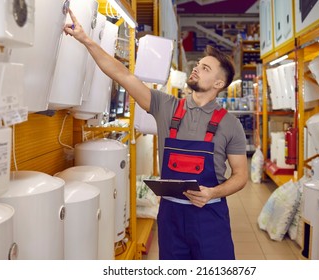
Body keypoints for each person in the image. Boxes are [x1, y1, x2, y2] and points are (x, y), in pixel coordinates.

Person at [64, 9, 248, 260]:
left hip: (209, 218)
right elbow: (122, 74)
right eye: (198, 64)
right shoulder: (167, 107)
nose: (196, 69)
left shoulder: (230, 124)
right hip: (171, 218)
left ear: (218, 84)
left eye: (205, 68)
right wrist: (86, 40)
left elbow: (240, 176)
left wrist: (212, 193)